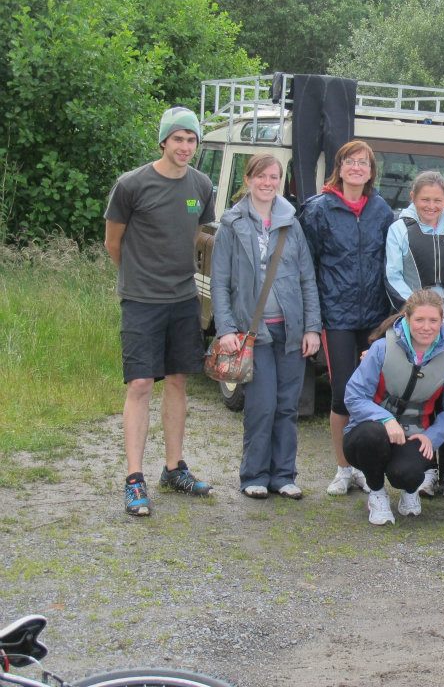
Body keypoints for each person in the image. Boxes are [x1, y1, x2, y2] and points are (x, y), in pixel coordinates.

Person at [104, 106, 215, 517]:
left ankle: (174, 468)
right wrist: (138, 279)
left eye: (192, 140)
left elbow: (199, 235)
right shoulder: (131, 185)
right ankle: (135, 479)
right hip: (141, 300)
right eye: (179, 139)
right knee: (139, 385)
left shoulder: (201, 186)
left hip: (184, 299)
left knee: (178, 382)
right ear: (163, 142)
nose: (185, 147)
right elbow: (113, 243)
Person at [211, 154, 321, 500]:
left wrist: (312, 328)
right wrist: (225, 328)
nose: (268, 183)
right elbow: (220, 281)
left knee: (288, 406)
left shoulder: (291, 221)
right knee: (261, 406)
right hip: (251, 333)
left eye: (274, 177)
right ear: (248, 179)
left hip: (290, 331)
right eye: (261, 176)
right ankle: (254, 475)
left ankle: (283, 475)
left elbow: (307, 278)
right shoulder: (231, 223)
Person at [300, 140, 395, 497]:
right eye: (350, 162)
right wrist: (312, 317)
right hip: (337, 316)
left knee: (373, 392)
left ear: (371, 172)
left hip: (374, 318)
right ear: (339, 168)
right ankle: (343, 467)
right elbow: (306, 267)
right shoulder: (318, 210)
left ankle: (369, 468)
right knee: (342, 394)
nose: (357, 167)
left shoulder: (381, 210)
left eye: (364, 163)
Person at [342, 291, 444, 525]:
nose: (426, 327)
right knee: (372, 435)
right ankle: (377, 492)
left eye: (433, 321)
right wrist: (385, 419)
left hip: (415, 434)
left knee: (406, 474)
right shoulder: (381, 349)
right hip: (370, 432)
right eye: (419, 320)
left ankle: (409, 490)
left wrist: (432, 436)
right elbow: (354, 395)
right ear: (407, 319)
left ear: (442, 322)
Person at [384, 171, 444, 499]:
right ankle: (425, 470)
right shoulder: (399, 230)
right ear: (414, 199)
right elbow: (392, 275)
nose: (431, 206)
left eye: (437, 200)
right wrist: (420, 315)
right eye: (425, 200)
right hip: (415, 323)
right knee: (421, 394)